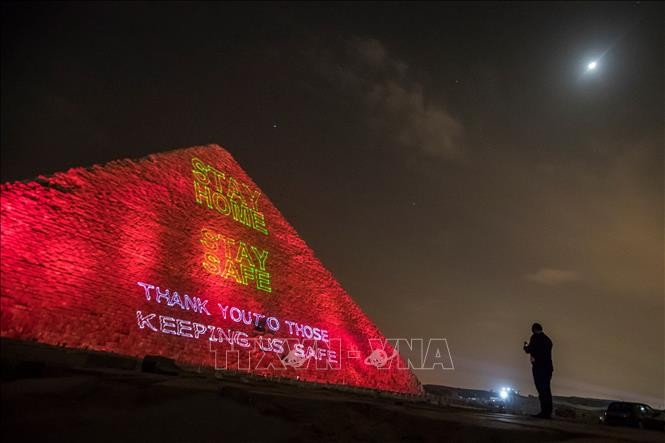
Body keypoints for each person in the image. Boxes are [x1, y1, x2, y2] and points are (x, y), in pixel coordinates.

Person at [523, 322, 553, 418]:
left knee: (541, 390)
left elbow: (529, 349)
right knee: (547, 390)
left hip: (539, 368)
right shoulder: (548, 340)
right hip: (548, 368)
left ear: (534, 329)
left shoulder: (535, 337)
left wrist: (525, 347)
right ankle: (547, 412)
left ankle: (544, 412)